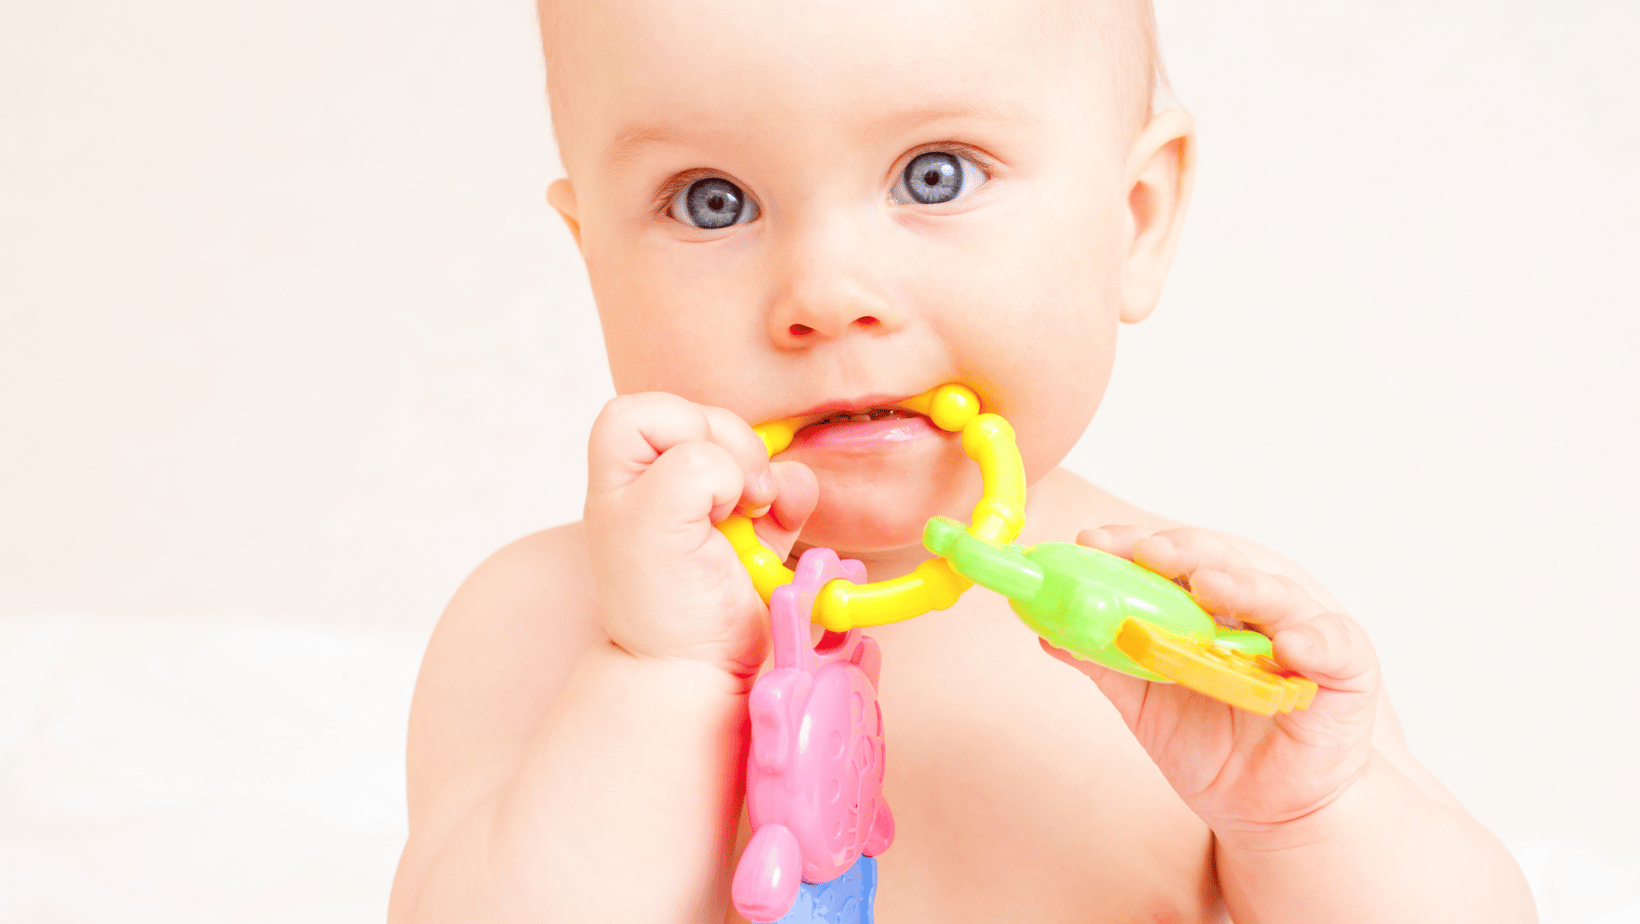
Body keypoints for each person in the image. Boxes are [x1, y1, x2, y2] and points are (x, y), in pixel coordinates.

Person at [387, 0, 1537, 920]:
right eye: (710, 201)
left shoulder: (1185, 638)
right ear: (592, 256)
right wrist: (660, 675)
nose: (826, 295)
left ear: (1132, 217)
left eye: (933, 174)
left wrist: (1310, 817)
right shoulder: (543, 625)